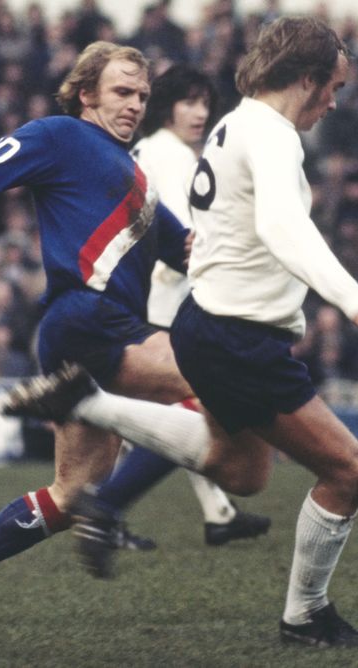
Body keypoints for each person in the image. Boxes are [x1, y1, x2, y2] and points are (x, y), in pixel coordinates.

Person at [4, 17, 358, 649]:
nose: (334, 101)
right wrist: (355, 302)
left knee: (241, 470)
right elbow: (280, 226)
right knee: (350, 472)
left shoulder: (233, 122)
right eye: (334, 87)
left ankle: (91, 402)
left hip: (205, 326)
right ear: (306, 78)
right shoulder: (272, 136)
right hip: (240, 338)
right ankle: (306, 616)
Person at [0, 41, 196, 624]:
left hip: (99, 330)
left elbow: (185, 250)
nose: (135, 104)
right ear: (86, 94)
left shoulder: (136, 175)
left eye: (141, 95)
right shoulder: (59, 135)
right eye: (121, 92)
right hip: (88, 320)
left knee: (69, 494)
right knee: (217, 387)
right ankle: (109, 509)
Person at [97, 64, 270, 551]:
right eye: (188, 102)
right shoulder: (165, 155)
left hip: (149, 299)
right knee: (197, 412)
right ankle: (106, 505)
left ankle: (215, 513)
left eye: (204, 104)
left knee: (183, 413)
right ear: (167, 104)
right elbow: (182, 235)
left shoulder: (158, 152)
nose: (198, 113)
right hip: (161, 302)